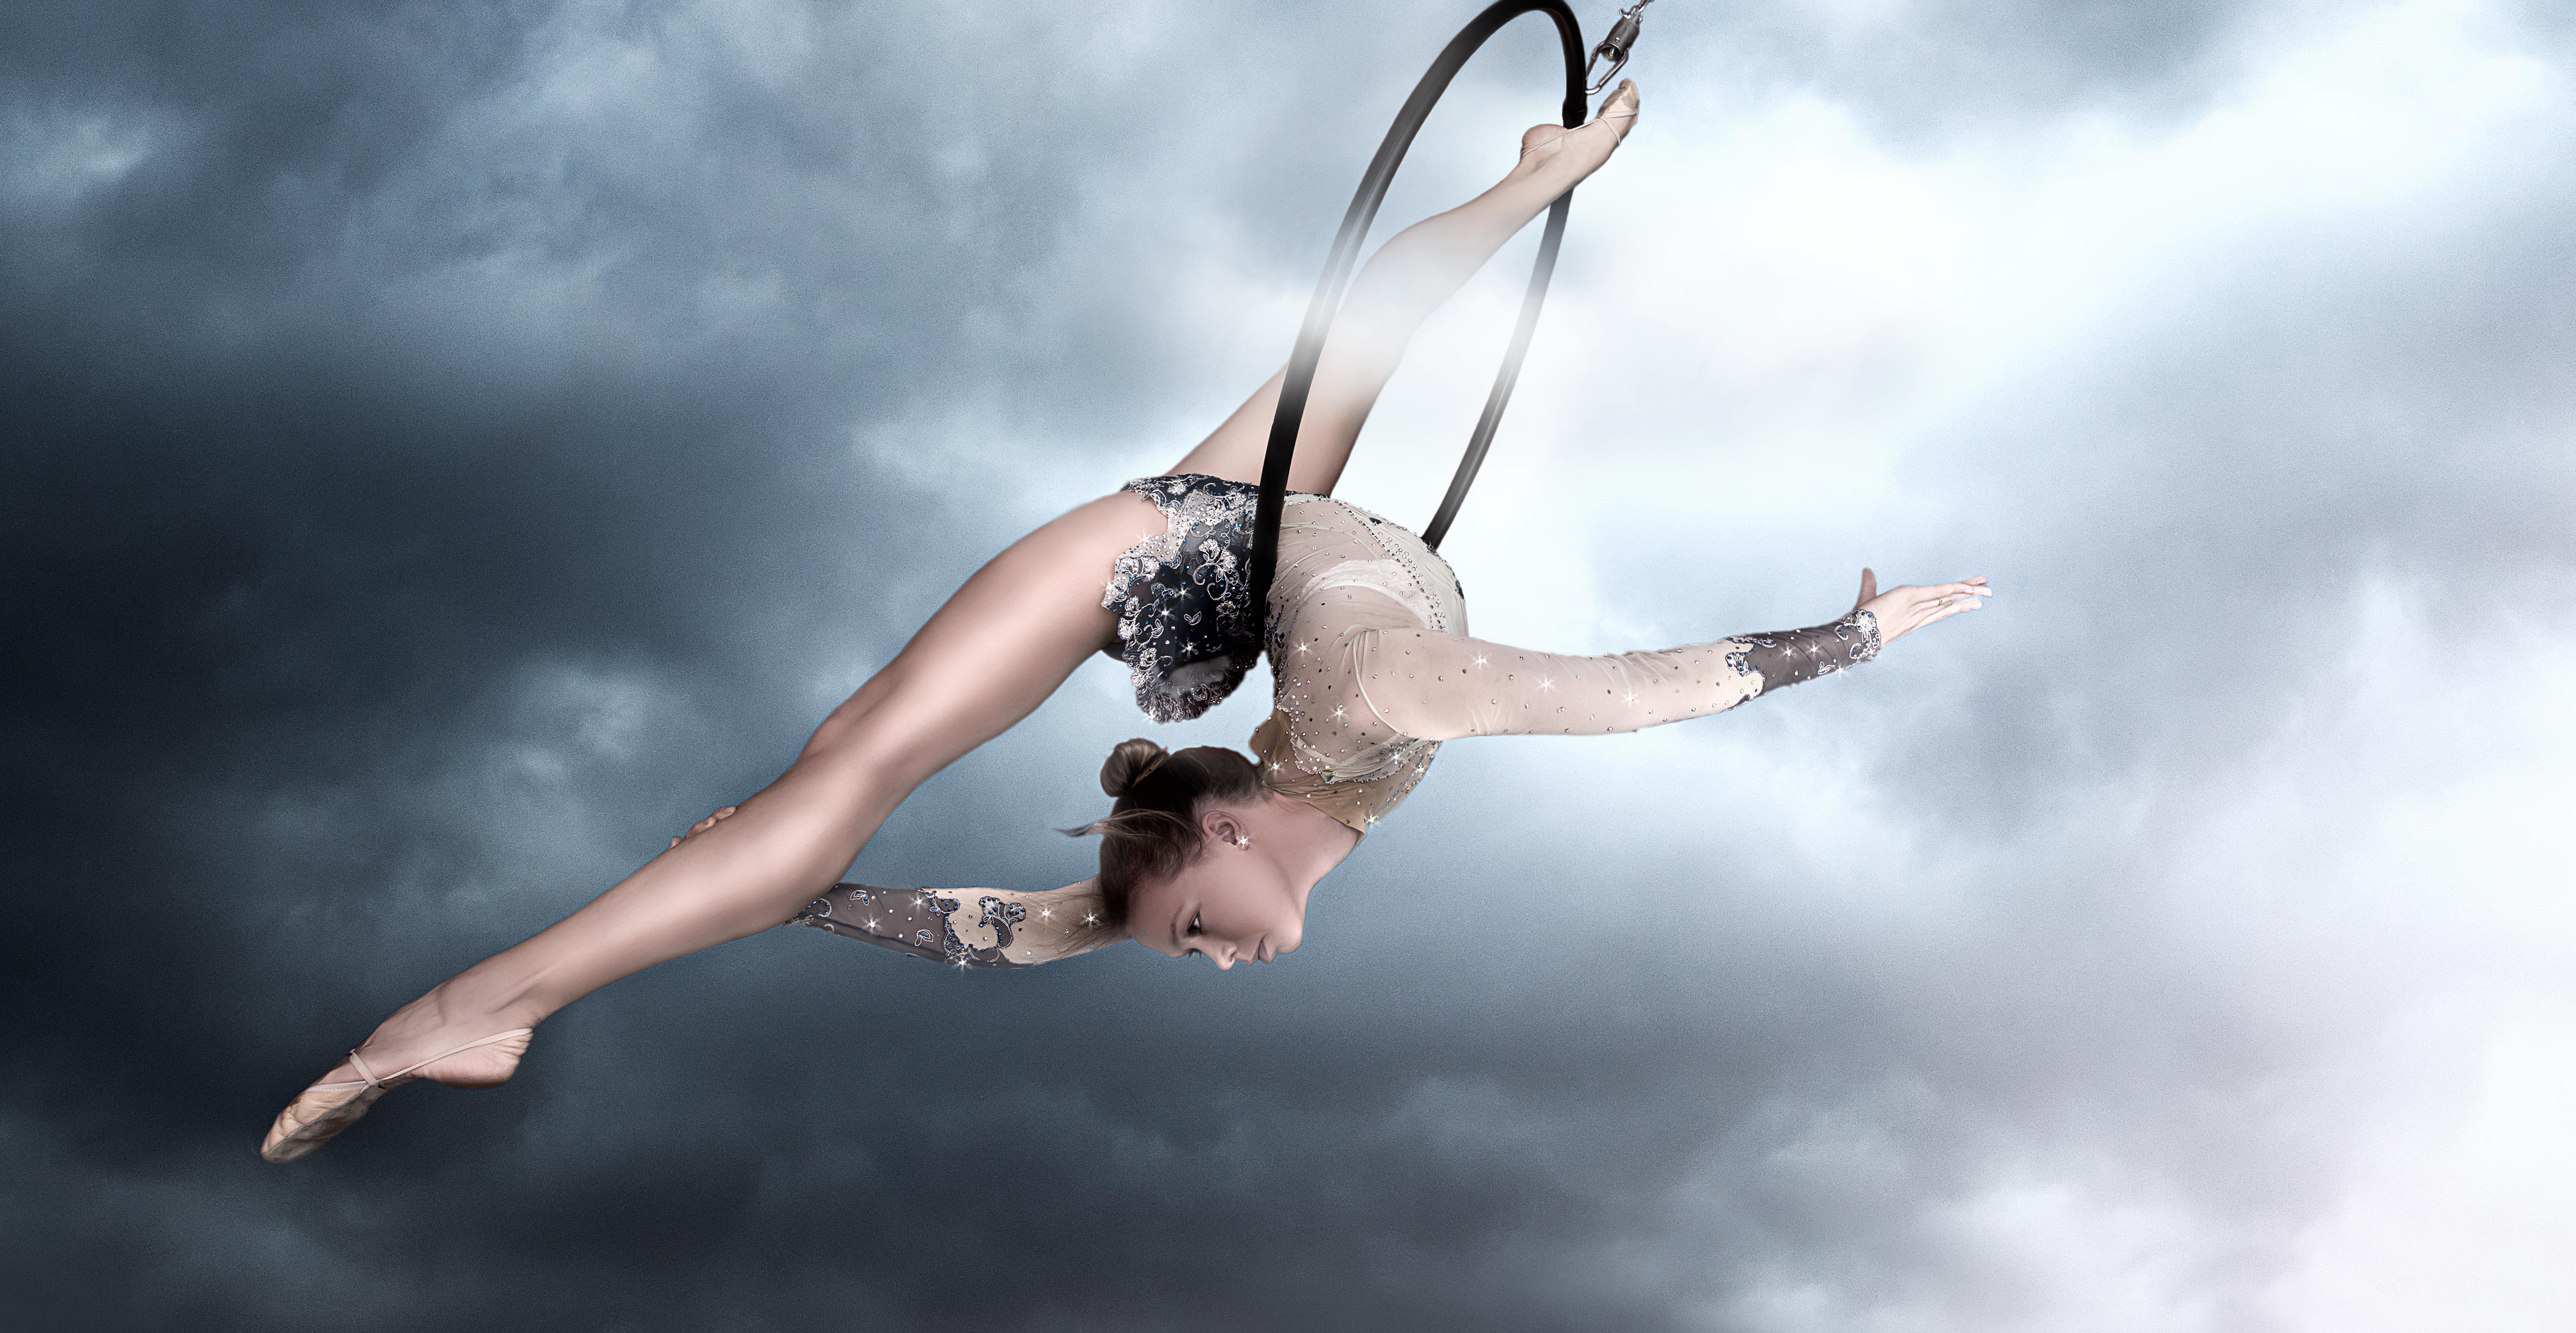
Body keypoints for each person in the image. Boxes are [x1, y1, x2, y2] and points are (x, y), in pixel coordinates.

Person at [261, 79, 1989, 1162]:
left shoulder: (1368, 706)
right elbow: (1617, 681)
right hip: (1249, 548)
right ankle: (481, 1001)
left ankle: (458, 1013)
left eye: (1187, 938)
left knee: (837, 783)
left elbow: (1007, 935)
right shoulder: (1357, 723)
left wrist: (809, 898)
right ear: (1223, 831)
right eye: (1197, 942)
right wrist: (1842, 641)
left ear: (1221, 827)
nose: (1212, 964)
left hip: (1183, 552)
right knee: (839, 774)